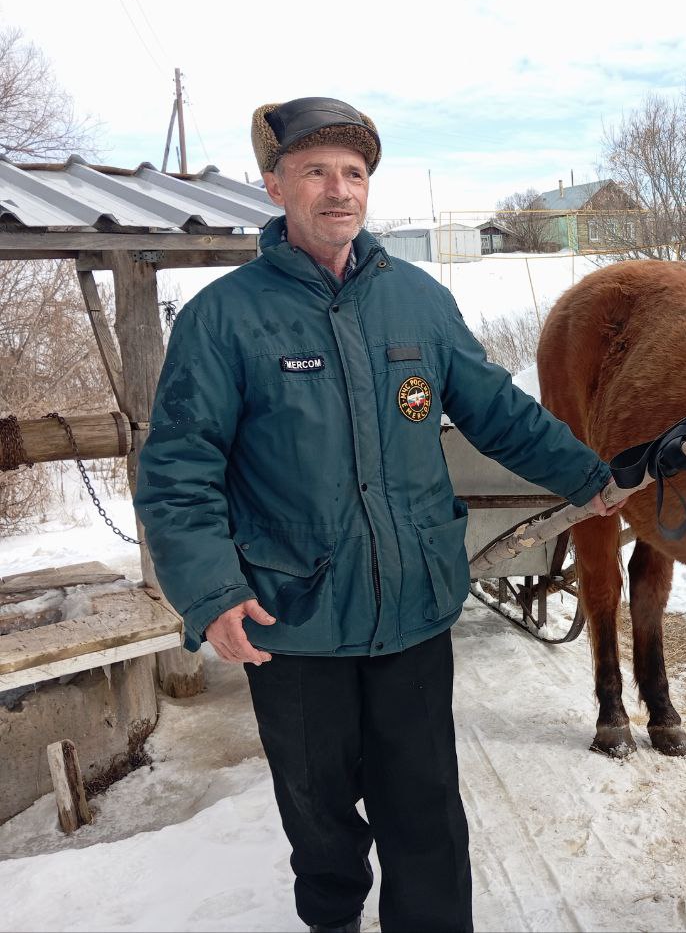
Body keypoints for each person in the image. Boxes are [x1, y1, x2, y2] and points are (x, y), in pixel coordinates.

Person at [135, 96, 619, 933]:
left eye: (353, 173)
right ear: (275, 184)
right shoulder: (225, 318)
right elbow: (179, 468)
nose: (337, 190)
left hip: (413, 612)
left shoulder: (418, 303)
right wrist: (210, 591)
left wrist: (590, 477)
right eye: (315, 171)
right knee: (320, 821)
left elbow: (497, 411)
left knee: (427, 812)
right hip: (292, 617)